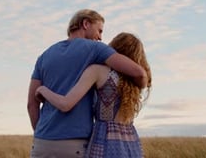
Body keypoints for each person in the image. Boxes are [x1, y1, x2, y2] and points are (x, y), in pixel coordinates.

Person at [28, 9, 148, 158]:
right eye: (99, 30)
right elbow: (139, 73)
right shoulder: (96, 49)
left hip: (41, 143)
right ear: (86, 24)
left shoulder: (44, 56)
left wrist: (40, 134)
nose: (100, 37)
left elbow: (31, 105)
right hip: (76, 144)